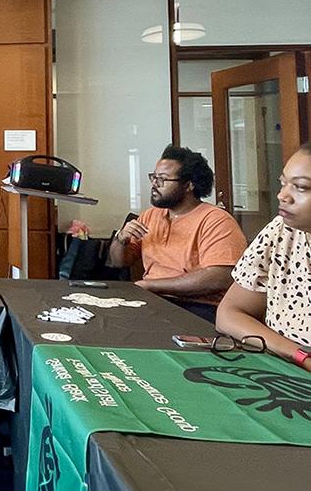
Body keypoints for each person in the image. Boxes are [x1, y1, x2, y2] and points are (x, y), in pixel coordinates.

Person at [108, 145, 247, 322]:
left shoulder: (216, 220)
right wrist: (121, 239)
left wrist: (152, 285)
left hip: (197, 307)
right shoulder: (150, 215)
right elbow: (119, 261)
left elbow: (219, 278)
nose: (154, 184)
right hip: (154, 299)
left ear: (188, 185)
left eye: (163, 179)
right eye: (154, 177)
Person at [217, 144, 311, 372]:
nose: (282, 196)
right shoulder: (282, 231)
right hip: (284, 368)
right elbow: (229, 314)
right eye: (283, 183)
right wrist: (298, 355)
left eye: (300, 187)